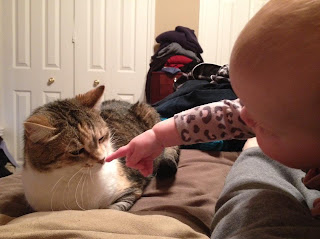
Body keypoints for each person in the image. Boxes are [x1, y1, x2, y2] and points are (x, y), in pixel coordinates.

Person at [106, 0, 320, 235]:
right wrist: (157, 136)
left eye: (265, 125)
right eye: (243, 101)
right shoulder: (263, 112)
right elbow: (221, 117)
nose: (243, 115)